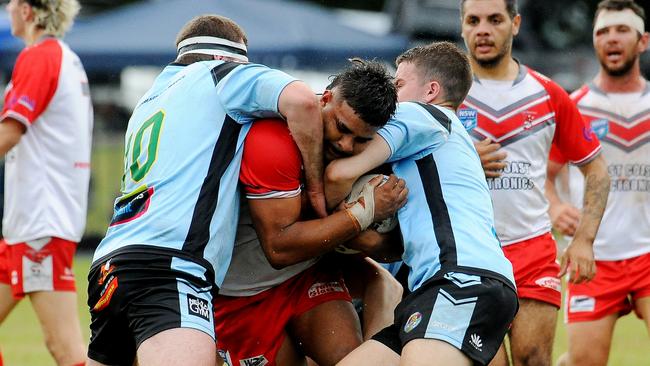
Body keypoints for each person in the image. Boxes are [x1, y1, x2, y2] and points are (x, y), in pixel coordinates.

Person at [86, 15, 331, 366]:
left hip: (110, 265)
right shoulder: (222, 74)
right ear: (231, 58)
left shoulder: (151, 97)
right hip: (170, 266)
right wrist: (317, 184)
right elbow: (303, 101)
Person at [327, 41, 518, 366]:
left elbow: (338, 174)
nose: (390, 96)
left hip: (462, 280)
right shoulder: (446, 137)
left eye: (398, 85)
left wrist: (330, 220)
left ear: (431, 91)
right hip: (436, 287)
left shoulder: (420, 114)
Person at [214, 60, 407, 366]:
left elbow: (394, 249)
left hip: (307, 272)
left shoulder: (378, 150)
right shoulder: (274, 140)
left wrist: (365, 239)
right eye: (341, 128)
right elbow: (279, 247)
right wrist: (361, 213)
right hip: (242, 292)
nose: (346, 145)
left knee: (357, 344)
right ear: (326, 99)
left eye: (361, 139)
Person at [457, 1, 611, 364]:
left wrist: (585, 240)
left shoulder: (548, 94)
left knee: (534, 359)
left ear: (515, 24)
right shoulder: (443, 94)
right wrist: (463, 160)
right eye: (473, 20)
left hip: (532, 251)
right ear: (461, 27)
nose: (483, 29)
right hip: (466, 252)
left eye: (495, 20)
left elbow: (597, 169)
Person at [545, 1, 650, 365]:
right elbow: (545, 174)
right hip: (594, 256)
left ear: (643, 41)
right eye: (602, 32)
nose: (612, 39)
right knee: (583, 362)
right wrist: (556, 206)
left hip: (648, 254)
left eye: (622, 30)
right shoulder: (576, 107)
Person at [0, 1, 91, 365]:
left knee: (65, 349)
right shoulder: (62, 57)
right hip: (29, 225)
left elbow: (11, 131)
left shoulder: (39, 57)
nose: (7, 10)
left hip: (42, 223)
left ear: (27, 10)